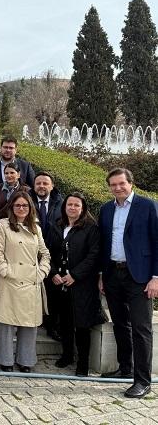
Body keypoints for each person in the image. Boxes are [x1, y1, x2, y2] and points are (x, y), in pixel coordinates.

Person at [98, 168, 158, 398]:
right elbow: (104, 244)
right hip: (113, 274)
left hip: (140, 277)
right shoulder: (106, 209)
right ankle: (125, 368)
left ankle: (143, 381)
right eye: (113, 184)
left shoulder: (147, 206)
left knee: (142, 329)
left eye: (121, 183)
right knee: (120, 324)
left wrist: (155, 277)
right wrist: (103, 275)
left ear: (130, 183)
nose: (117, 188)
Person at [0, 191, 50, 373]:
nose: (21, 208)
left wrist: (42, 273)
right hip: (9, 280)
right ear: (11, 207)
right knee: (7, 323)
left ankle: (26, 360)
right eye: (17, 205)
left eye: (25, 205)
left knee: (29, 324)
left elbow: (45, 253)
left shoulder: (36, 228)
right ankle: (5, 359)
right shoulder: (3, 225)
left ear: (30, 207)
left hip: (31, 280)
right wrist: (6, 271)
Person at [46, 193, 101, 377]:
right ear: (65, 206)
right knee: (65, 322)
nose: (72, 208)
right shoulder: (57, 226)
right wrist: (53, 273)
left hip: (81, 284)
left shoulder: (91, 228)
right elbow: (48, 252)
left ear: (83, 208)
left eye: (76, 205)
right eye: (69, 204)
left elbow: (93, 255)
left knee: (82, 324)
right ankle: (67, 355)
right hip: (59, 283)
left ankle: (83, 364)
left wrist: (75, 275)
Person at [30, 171, 64, 342]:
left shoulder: (61, 203)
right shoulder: (27, 200)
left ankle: (52, 326)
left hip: (54, 253)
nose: (41, 186)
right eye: (38, 183)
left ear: (52, 185)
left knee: (52, 292)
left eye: (45, 183)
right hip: (29, 252)